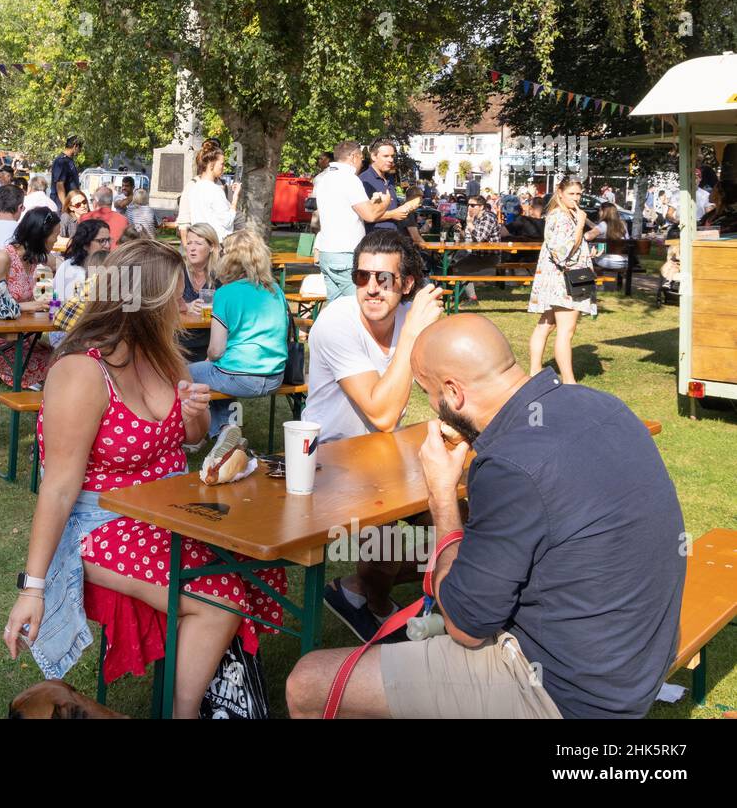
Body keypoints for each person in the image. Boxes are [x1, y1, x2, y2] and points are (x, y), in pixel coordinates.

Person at [287, 314, 686, 719]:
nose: (432, 409)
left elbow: (465, 625)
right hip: (638, 660)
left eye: (428, 394)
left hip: (569, 693)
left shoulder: (511, 465)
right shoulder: (600, 404)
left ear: (453, 393)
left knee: (308, 681)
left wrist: (442, 495)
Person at [4, 239, 287, 719]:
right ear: (146, 303)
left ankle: (219, 691)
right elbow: (58, 487)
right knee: (217, 596)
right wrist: (33, 587)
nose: (185, 306)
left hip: (168, 510)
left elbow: (189, 440)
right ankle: (185, 711)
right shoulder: (81, 373)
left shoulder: (163, 357)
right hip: (100, 523)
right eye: (176, 297)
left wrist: (196, 415)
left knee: (252, 557)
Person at [305, 229, 445, 639]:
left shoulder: (407, 318)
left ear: (406, 284)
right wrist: (414, 334)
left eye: (384, 279)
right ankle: (378, 601)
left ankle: (356, 590)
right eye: (361, 276)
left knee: (469, 521)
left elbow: (444, 388)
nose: (371, 288)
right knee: (386, 548)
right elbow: (382, 412)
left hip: (385, 454)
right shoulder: (337, 321)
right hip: (329, 459)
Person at [186, 230, 288, 437]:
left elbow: (216, 349)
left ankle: (206, 433)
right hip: (275, 375)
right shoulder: (276, 289)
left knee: (181, 373)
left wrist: (210, 359)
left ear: (230, 259)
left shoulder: (226, 292)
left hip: (239, 377)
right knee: (215, 372)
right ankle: (227, 429)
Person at [0, 206, 61, 388]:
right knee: (57, 365)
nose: (57, 239)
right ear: (41, 234)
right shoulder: (3, 257)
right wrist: (29, 306)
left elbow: (65, 267)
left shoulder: (35, 258)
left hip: (26, 336)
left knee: (65, 358)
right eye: (55, 235)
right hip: (2, 339)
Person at [528, 176, 595, 385]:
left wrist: (586, 251)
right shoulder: (559, 216)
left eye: (579, 194)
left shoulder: (568, 214)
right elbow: (563, 252)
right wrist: (582, 224)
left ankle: (535, 372)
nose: (576, 198)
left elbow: (571, 246)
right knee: (566, 331)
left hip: (557, 278)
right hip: (564, 281)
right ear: (560, 193)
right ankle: (569, 381)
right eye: (571, 194)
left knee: (546, 325)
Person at [313, 140, 394, 299]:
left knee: (336, 308)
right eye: (361, 159)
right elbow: (369, 216)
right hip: (345, 253)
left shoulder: (324, 178)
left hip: (326, 251)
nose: (361, 163)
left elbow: (343, 208)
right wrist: (384, 204)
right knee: (357, 305)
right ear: (354, 157)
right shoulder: (350, 179)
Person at [178, 222, 220, 364]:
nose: (192, 249)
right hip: (180, 344)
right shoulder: (178, 272)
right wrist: (187, 306)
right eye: (189, 243)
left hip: (211, 346)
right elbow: (162, 304)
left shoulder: (221, 276)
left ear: (212, 247)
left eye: (198, 243)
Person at [452, 193, 502, 303]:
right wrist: (461, 231)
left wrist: (469, 224)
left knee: (458, 268)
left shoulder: (488, 217)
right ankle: (456, 295)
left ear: (481, 207)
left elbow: (479, 238)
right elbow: (471, 239)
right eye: (468, 205)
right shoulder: (476, 218)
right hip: (477, 255)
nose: (469, 207)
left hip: (489, 257)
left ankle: (471, 298)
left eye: (473, 205)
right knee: (453, 265)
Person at [184, 140, 238, 241]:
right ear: (211, 165)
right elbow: (227, 221)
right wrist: (235, 199)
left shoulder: (195, 188)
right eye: (222, 164)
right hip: (217, 244)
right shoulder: (215, 190)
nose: (224, 167)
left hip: (201, 241)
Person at [359, 139, 416, 233]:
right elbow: (364, 216)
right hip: (374, 240)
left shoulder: (390, 178)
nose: (391, 160)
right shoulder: (364, 181)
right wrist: (392, 214)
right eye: (386, 156)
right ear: (373, 156)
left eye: (392, 156)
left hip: (393, 237)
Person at [587, 201, 629, 274]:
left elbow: (587, 237)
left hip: (607, 261)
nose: (599, 213)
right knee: (600, 249)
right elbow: (600, 228)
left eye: (600, 210)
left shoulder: (603, 225)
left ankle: (598, 283)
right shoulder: (623, 224)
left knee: (591, 255)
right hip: (624, 261)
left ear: (604, 212)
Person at [50, 134, 83, 211]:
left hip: (71, 203)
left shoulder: (69, 160)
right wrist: (65, 206)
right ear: (75, 146)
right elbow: (59, 185)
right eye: (80, 148)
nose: (80, 151)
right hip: (61, 205)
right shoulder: (62, 161)